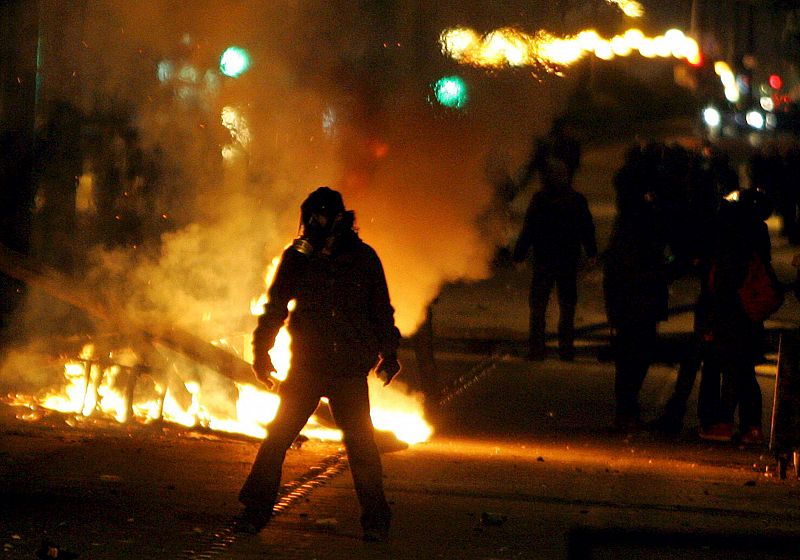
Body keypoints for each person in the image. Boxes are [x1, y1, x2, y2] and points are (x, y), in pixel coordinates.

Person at [237, 187, 401, 541]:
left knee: (362, 447)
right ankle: (254, 510)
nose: (312, 225)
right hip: (307, 366)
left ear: (339, 219)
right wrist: (262, 352)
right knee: (277, 439)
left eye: (320, 218)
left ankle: (376, 520)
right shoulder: (298, 258)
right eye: (309, 218)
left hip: (347, 370)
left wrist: (389, 354)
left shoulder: (363, 259)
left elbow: (381, 311)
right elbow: (275, 308)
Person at [512, 120, 597, 361]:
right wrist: (592, 253)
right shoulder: (576, 200)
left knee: (539, 306)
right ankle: (565, 349)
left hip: (545, 260)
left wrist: (519, 253)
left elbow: (529, 229)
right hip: (567, 260)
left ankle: (537, 348)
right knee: (566, 307)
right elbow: (586, 229)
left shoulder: (540, 200)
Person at [603, 143, 672, 431]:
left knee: (632, 355)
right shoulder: (640, 224)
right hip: (637, 301)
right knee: (635, 354)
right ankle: (627, 409)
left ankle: (627, 408)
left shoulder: (632, 225)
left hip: (633, 301)